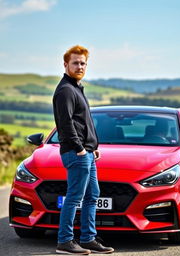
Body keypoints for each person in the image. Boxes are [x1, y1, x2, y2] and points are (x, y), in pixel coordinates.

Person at [53, 45, 114, 254]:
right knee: (74, 197)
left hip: (88, 153)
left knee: (92, 195)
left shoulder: (77, 88)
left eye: (83, 63)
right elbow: (66, 123)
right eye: (75, 63)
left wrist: (92, 147)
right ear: (65, 65)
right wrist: (80, 148)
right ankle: (65, 241)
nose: (80, 66)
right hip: (76, 153)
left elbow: (84, 123)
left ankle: (88, 238)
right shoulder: (66, 91)